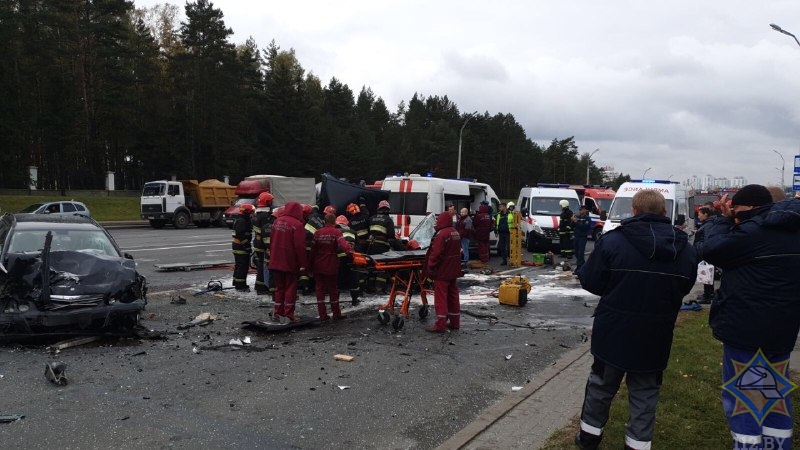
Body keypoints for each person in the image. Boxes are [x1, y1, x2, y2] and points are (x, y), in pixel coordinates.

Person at [574, 190, 697, 450]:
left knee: (601, 386)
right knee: (645, 392)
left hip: (613, 329)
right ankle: (638, 444)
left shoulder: (612, 241)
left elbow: (592, 281)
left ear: (634, 211)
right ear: (664, 213)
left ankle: (588, 439)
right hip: (656, 331)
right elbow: (685, 286)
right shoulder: (684, 248)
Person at [697, 184, 800, 450]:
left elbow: (711, 248)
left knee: (744, 395)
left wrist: (722, 218)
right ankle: (778, 445)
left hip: (745, 329)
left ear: (752, 207)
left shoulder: (753, 232)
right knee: (775, 394)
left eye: (739, 210)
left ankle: (748, 445)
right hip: (783, 327)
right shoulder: (793, 229)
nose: (737, 215)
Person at [268, 201, 308, 322]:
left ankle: (277, 311)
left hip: (275, 260)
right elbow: (300, 246)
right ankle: (289, 313)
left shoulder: (277, 221)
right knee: (291, 287)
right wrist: (303, 264)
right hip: (289, 261)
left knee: (279, 288)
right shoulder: (297, 225)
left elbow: (271, 240)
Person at [310, 214, 354, 321]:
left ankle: (322, 315)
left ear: (324, 221)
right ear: (334, 222)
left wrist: (310, 266)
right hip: (331, 264)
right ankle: (336, 314)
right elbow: (344, 245)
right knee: (333, 290)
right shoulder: (336, 232)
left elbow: (312, 251)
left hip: (318, 265)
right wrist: (351, 253)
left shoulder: (317, 233)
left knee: (320, 290)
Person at [424, 211, 463, 332]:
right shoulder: (455, 232)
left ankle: (440, 324)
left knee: (441, 298)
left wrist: (430, 267)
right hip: (453, 271)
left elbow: (436, 254)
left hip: (442, 272)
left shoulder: (442, 234)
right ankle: (455, 322)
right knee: (453, 297)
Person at [252, 192, 274, 295]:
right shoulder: (266, 216)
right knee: (264, 265)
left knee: (260, 263)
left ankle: (259, 286)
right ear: (267, 202)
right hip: (262, 243)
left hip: (257, 241)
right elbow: (267, 231)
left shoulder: (257, 214)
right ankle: (263, 287)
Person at [692, 206, 714, 304]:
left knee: (706, 274)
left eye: (699, 214)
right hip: (703, 252)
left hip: (704, 253)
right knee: (705, 274)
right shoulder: (706, 224)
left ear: (705, 214)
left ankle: (708, 296)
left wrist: (699, 247)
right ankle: (707, 294)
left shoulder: (708, 224)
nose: (698, 216)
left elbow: (707, 239)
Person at [231, 203, 255, 292]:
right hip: (241, 246)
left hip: (238, 245)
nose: (252, 214)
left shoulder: (240, 219)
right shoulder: (242, 221)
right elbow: (241, 235)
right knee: (243, 266)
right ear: (246, 212)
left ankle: (236, 282)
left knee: (238, 265)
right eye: (251, 212)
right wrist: (246, 245)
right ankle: (241, 286)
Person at [571, 205, 592, 272]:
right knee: (576, 252)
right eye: (579, 210)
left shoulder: (587, 218)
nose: (580, 211)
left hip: (582, 237)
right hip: (576, 236)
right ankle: (582, 266)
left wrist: (577, 222)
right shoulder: (578, 217)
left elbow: (584, 227)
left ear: (585, 210)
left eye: (581, 210)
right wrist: (572, 221)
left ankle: (580, 268)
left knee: (580, 253)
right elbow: (572, 226)